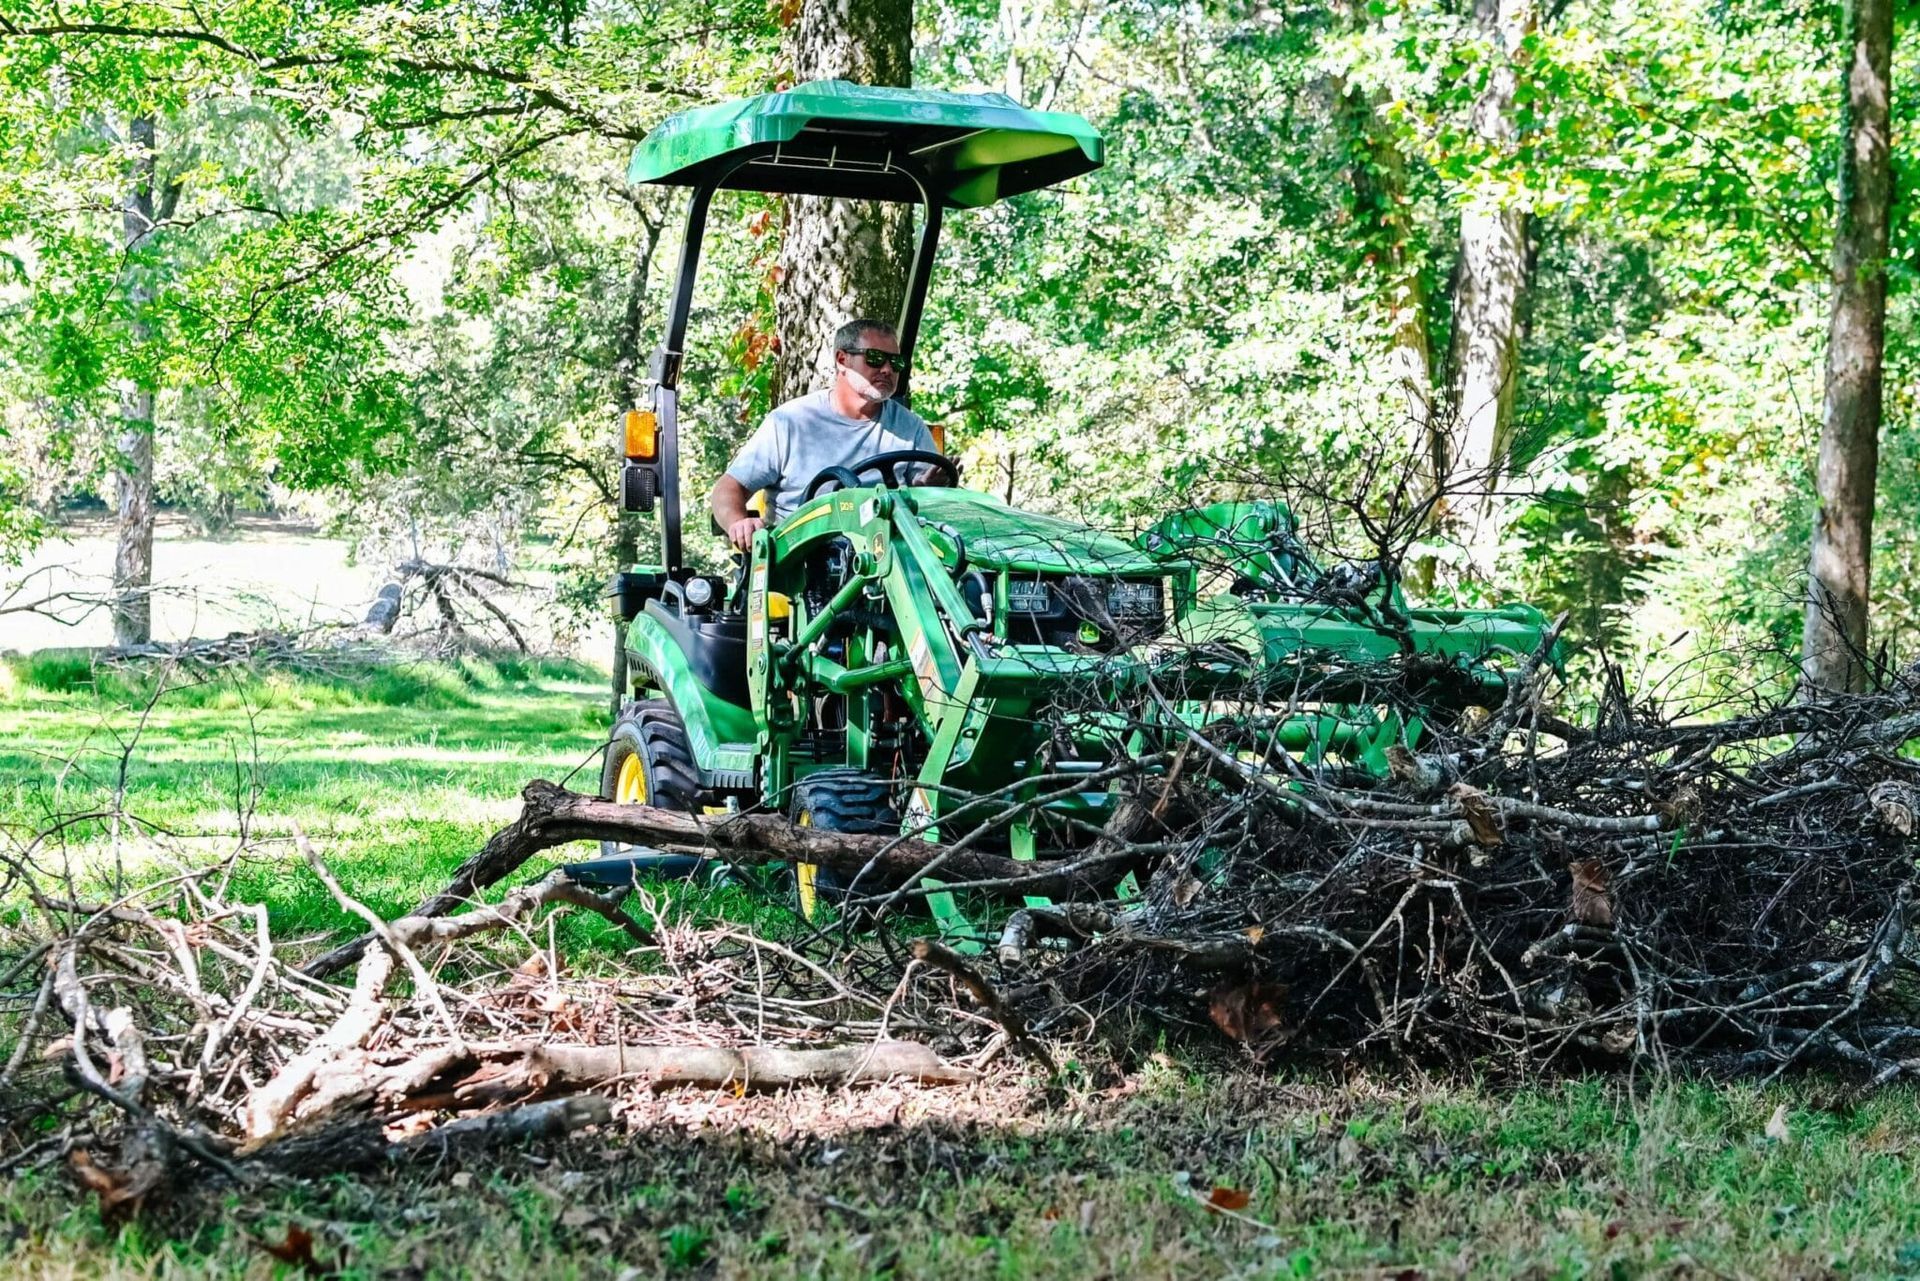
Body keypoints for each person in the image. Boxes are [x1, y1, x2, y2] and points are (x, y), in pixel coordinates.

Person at [712, 318, 943, 551]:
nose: (887, 369)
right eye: (874, 358)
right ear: (842, 360)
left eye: (896, 362)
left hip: (885, 557)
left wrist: (928, 489)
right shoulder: (791, 422)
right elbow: (729, 487)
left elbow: (927, 497)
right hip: (799, 560)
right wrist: (739, 523)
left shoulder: (909, 426)